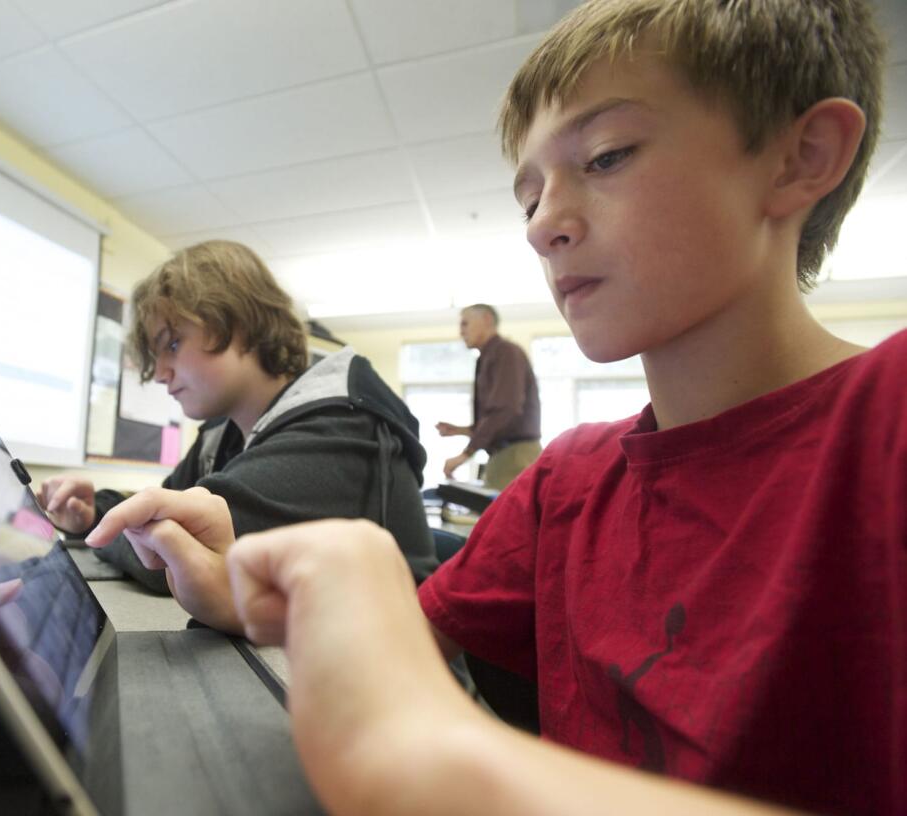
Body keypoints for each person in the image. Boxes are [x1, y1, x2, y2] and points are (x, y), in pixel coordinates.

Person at [81, 0, 904, 813]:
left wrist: (441, 756)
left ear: (802, 156)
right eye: (528, 195)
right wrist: (242, 590)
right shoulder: (568, 481)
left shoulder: (885, 421)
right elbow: (407, 633)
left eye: (608, 155)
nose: (543, 223)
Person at [39, 240, 439, 595]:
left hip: (395, 671)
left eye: (173, 344)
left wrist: (108, 530)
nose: (160, 373)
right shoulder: (222, 431)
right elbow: (163, 506)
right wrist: (94, 514)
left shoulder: (341, 425)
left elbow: (174, 557)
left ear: (241, 324)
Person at [436, 304, 541, 489]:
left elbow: (505, 409)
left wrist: (465, 454)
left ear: (486, 320)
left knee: (507, 517)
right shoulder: (488, 357)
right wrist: (463, 430)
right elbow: (500, 416)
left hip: (514, 455)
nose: (461, 332)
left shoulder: (505, 352)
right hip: (504, 455)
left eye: (465, 324)